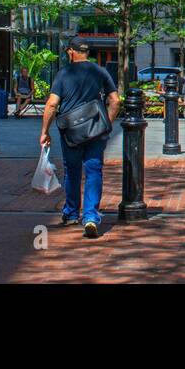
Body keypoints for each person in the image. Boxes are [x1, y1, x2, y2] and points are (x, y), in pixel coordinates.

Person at [40, 42, 120, 239]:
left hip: (72, 133)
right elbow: (116, 101)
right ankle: (91, 216)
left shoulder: (64, 73)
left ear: (71, 51)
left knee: (72, 172)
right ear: (87, 52)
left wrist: (45, 131)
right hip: (95, 131)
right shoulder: (100, 71)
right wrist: (106, 125)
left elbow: (52, 104)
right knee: (94, 170)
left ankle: (71, 213)